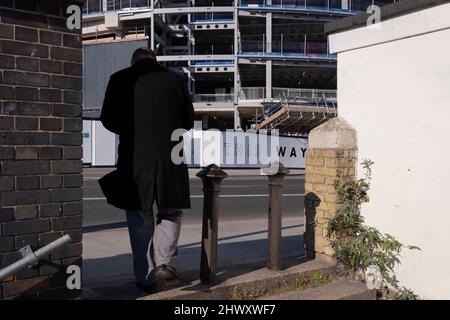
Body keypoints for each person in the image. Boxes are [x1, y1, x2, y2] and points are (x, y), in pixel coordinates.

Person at [99, 47, 195, 291]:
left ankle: (146, 275)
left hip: (134, 158)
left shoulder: (119, 79)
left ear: (134, 61)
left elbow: (108, 119)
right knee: (171, 211)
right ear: (155, 59)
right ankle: (165, 263)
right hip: (171, 155)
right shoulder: (175, 79)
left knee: (139, 216)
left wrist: (132, 131)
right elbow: (188, 121)